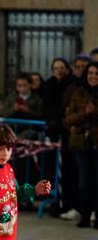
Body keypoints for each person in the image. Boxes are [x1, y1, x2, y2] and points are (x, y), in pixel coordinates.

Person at [63, 61, 98, 228]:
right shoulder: (78, 93)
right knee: (84, 182)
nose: (93, 76)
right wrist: (85, 114)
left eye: (96, 74)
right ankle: (84, 215)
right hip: (81, 143)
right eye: (90, 73)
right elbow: (69, 118)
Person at [42, 58, 77, 219]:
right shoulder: (48, 86)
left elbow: (66, 109)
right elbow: (47, 109)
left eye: (62, 68)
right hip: (54, 130)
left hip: (66, 131)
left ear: (67, 69)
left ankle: (66, 202)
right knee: (52, 168)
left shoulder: (72, 85)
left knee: (67, 170)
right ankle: (53, 200)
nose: (59, 71)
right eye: (56, 68)